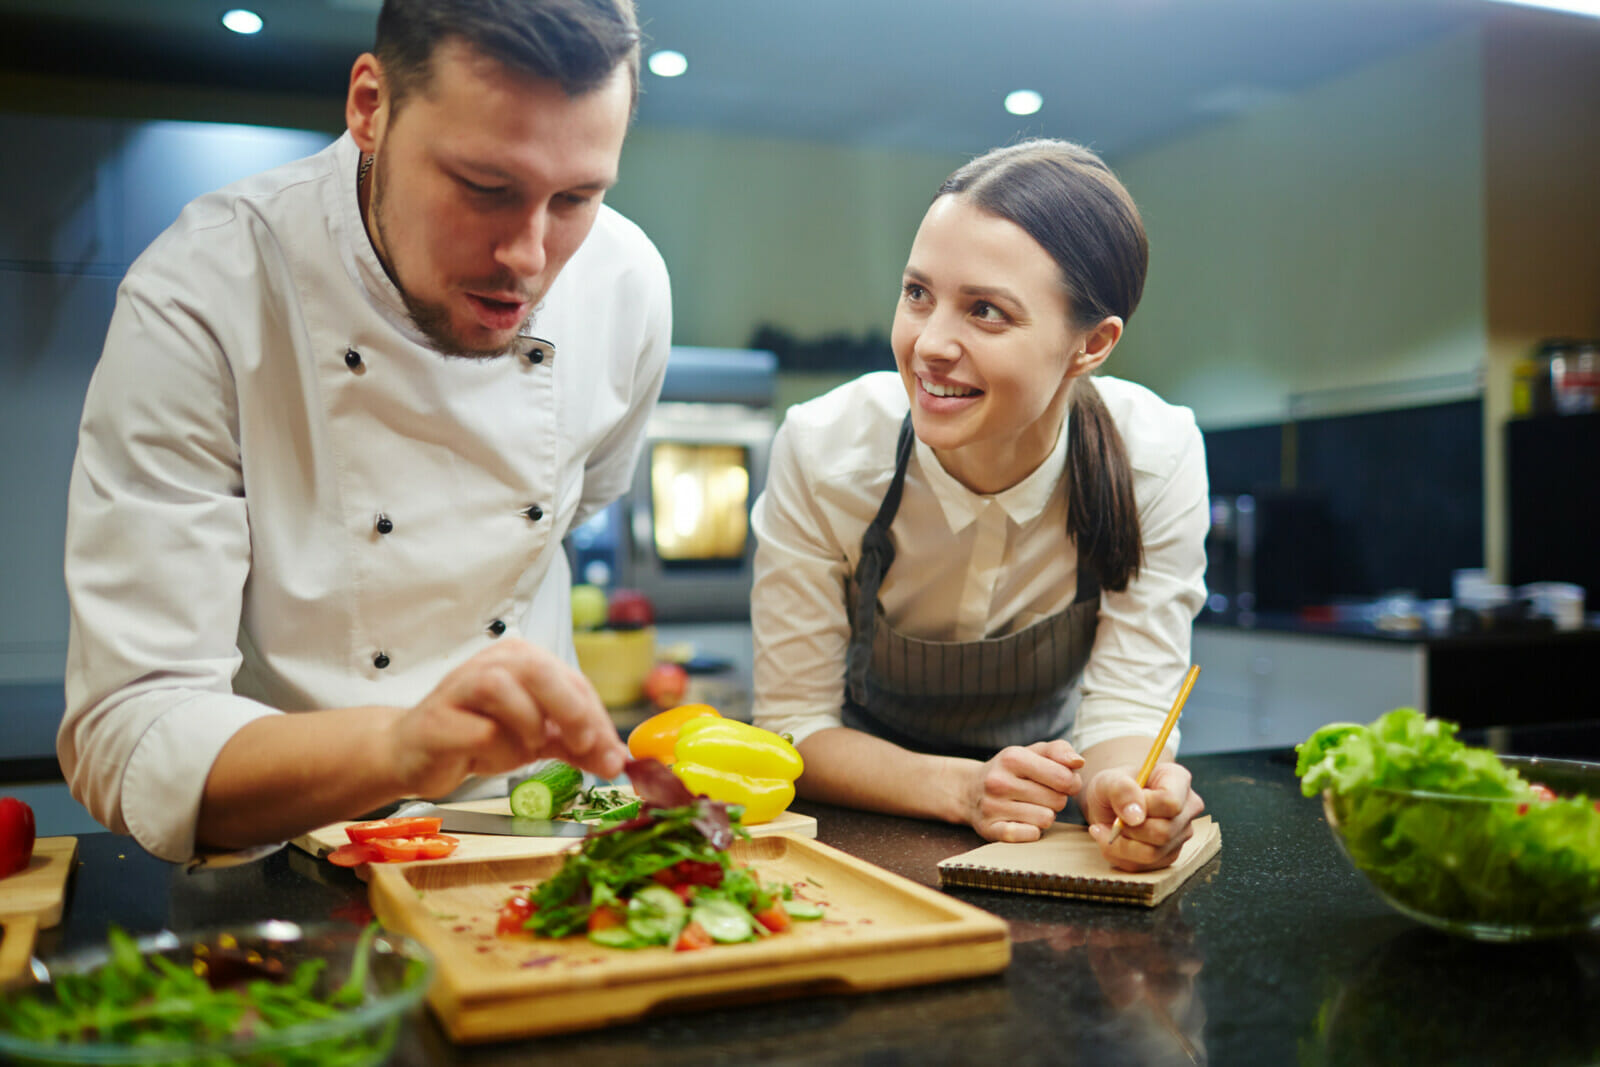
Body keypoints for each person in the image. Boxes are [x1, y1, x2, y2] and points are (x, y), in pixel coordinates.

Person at [59, 0, 663, 863]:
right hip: (286, 851)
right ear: (371, 106)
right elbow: (130, 729)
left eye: (576, 197)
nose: (529, 257)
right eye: (485, 188)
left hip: (536, 838)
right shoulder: (205, 291)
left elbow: (580, 503)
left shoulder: (628, 285)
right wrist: (399, 748)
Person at [750, 140, 1207, 871]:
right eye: (917, 293)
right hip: (858, 838)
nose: (928, 344)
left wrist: (1126, 788)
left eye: (986, 311)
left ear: (1092, 343)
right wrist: (962, 788)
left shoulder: (1156, 455)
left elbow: (1125, 709)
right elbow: (793, 725)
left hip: (1043, 839)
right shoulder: (824, 449)